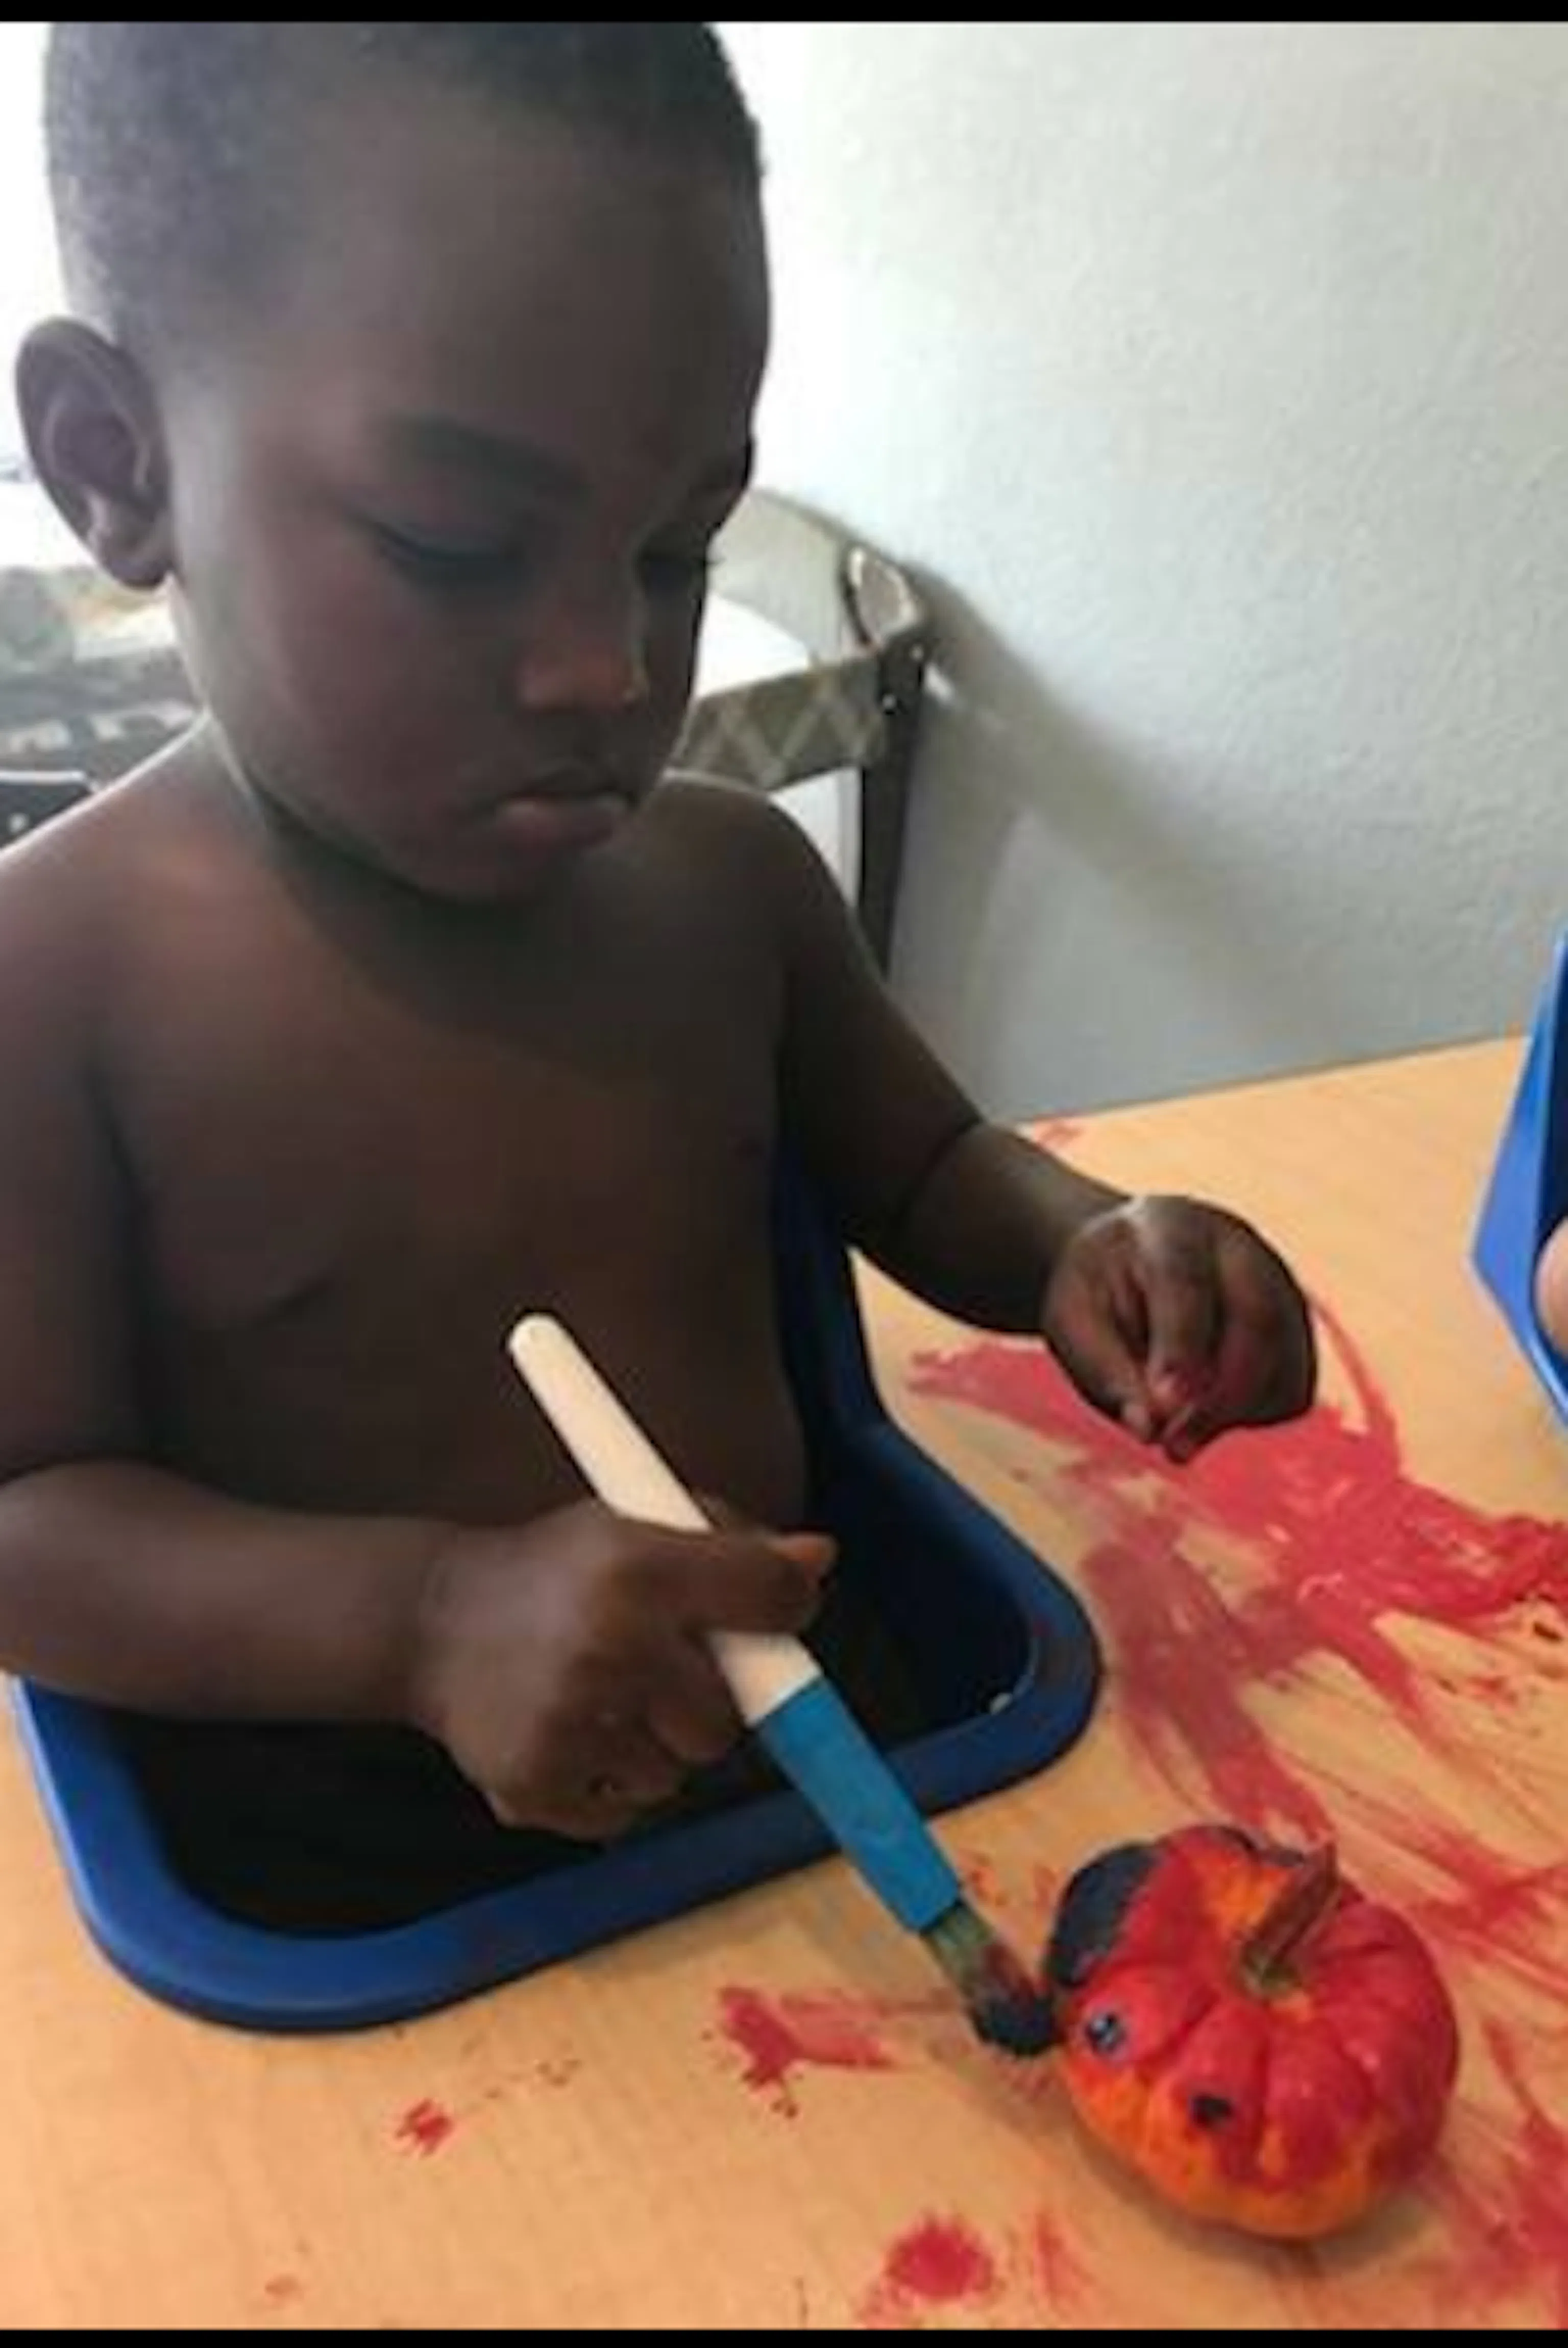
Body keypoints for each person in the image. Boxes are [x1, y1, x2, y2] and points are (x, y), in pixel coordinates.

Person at [0, 23, 1315, 1931]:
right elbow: (26, 1520)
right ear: (116, 463)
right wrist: (424, 1620)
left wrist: (1093, 1251)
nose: (609, 667)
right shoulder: (50, 987)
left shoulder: (729, 886)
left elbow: (931, 1170)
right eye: (458, 546)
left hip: (827, 1788)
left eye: (677, 550)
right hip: (362, 1886)